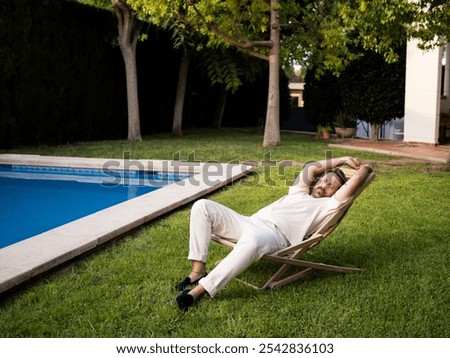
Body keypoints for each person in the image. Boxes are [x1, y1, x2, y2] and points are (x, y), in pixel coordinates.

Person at [174, 156, 373, 311]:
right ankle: (197, 271)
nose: (325, 185)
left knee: (252, 242)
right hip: (249, 222)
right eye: (324, 180)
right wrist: (344, 159)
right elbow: (310, 168)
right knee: (202, 206)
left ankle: (199, 291)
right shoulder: (299, 192)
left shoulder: (328, 206)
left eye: (332, 186)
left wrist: (365, 167)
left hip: (275, 236)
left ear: (336, 192)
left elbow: (356, 180)